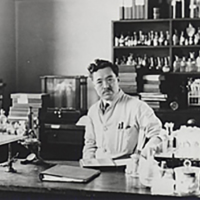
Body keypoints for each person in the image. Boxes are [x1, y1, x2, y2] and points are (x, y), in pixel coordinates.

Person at [82, 59, 163, 160]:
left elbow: (158, 134)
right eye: (99, 82)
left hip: (126, 168)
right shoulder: (93, 111)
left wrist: (144, 155)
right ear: (94, 85)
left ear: (118, 80)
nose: (106, 86)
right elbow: (90, 144)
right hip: (98, 167)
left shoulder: (137, 106)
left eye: (110, 79)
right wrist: (88, 164)